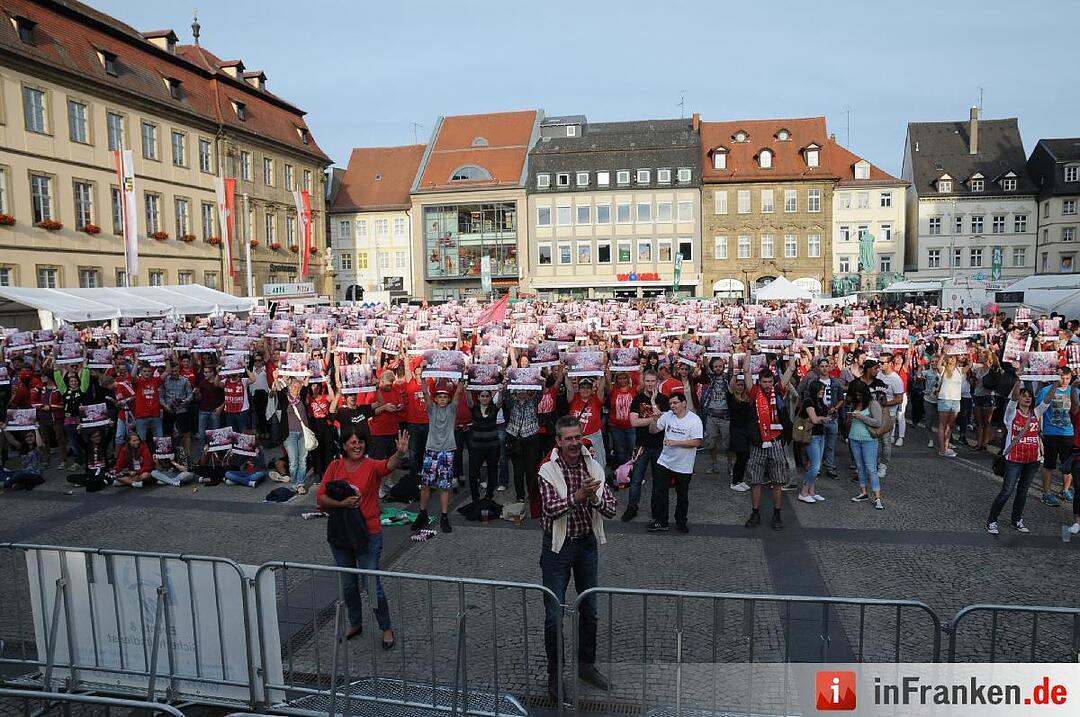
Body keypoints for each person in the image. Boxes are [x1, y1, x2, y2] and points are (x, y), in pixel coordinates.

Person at [538, 415, 616, 703]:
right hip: (557, 549)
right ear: (558, 441)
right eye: (568, 438)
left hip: (586, 546)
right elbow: (549, 509)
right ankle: (555, 676)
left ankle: (586, 667)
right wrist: (579, 495)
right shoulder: (547, 470)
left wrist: (593, 498)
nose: (574, 443)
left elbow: (610, 509)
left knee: (590, 611)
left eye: (577, 437)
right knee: (553, 616)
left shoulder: (593, 466)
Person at [316, 428, 409, 649]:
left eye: (360, 442)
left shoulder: (370, 466)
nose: (357, 446)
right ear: (344, 445)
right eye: (352, 442)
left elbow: (388, 465)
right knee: (349, 585)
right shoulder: (335, 466)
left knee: (371, 585)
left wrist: (400, 454)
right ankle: (355, 623)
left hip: (368, 532)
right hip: (341, 533)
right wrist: (342, 504)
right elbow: (320, 499)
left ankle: (386, 628)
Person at [987, 382, 1044, 535]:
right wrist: (1018, 379)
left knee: (1023, 491)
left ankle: (1017, 519)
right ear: (1018, 398)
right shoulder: (1011, 413)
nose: (1027, 398)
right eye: (1023, 396)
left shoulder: (1036, 413)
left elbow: (1047, 401)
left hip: (1032, 459)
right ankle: (992, 520)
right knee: (1007, 491)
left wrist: (1055, 382)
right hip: (1014, 458)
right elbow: (1012, 398)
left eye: (1029, 396)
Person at [411, 375, 464, 534]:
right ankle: (423, 513)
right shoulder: (431, 409)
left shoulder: (452, 408)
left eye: (445, 397)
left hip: (447, 452)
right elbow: (425, 393)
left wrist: (461, 377)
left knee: (444, 486)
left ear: (448, 399)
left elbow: (458, 393)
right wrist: (422, 379)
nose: (442, 399)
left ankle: (444, 516)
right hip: (431, 451)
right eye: (439, 397)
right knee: (426, 485)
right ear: (436, 399)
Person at [743, 366, 792, 530]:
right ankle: (755, 512)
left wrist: (790, 348)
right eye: (764, 381)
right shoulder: (754, 392)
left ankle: (777, 513)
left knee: (777, 480)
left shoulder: (778, 390)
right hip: (758, 442)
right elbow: (746, 371)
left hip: (776, 441)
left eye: (770, 381)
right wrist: (749, 348)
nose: (767, 384)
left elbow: (791, 369)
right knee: (755, 480)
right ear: (760, 381)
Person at [647, 391, 703, 533]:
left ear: (684, 403)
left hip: (684, 465)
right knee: (660, 491)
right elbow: (653, 431)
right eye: (671, 403)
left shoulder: (694, 420)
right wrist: (654, 420)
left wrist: (676, 442)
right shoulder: (667, 416)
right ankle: (661, 521)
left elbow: (697, 441)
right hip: (665, 461)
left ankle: (681, 522)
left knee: (682, 495)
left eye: (675, 403)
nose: (672, 406)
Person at [623, 370, 669, 521]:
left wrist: (655, 405)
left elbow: (665, 422)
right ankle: (632, 508)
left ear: (657, 382)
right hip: (642, 445)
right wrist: (655, 418)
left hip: (659, 446)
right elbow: (634, 422)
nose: (650, 384)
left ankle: (656, 510)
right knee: (636, 480)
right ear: (644, 382)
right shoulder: (638, 399)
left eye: (653, 381)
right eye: (647, 381)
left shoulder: (664, 399)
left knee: (658, 481)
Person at [1036, 366, 1079, 507]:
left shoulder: (1076, 391)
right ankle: (1047, 493)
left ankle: (1065, 490)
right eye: (1062, 377)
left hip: (1069, 433)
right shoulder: (1045, 391)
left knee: (1068, 464)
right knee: (1049, 464)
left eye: (1067, 378)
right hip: (1051, 432)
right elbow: (1039, 411)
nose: (1064, 381)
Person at [847, 381, 884, 509]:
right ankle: (863, 492)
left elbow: (878, 422)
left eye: (859, 395)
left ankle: (877, 496)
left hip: (868, 439)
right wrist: (851, 418)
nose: (858, 397)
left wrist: (861, 417)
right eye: (856, 395)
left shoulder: (873, 404)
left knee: (871, 468)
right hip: (854, 438)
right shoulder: (855, 403)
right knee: (860, 467)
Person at [275, 375, 312, 494]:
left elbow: (306, 384)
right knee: (293, 461)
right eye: (294, 387)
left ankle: (300, 484)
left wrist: (308, 375)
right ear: (290, 388)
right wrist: (275, 378)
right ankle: (294, 483)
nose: (297, 389)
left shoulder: (301, 398)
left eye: (298, 387)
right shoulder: (285, 399)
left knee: (303, 460)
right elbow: (279, 391)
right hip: (289, 434)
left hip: (302, 433)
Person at [465, 385, 502, 503]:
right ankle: (475, 497)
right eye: (482, 396)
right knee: (473, 473)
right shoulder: (474, 408)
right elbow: (469, 401)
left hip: (493, 446)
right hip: (477, 446)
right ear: (479, 397)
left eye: (487, 396)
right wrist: (467, 390)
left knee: (492, 471)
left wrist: (501, 391)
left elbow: (500, 402)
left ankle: (489, 496)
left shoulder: (494, 408)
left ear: (491, 397)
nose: (485, 398)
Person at [797, 380, 832, 504]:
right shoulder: (808, 401)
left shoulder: (819, 402)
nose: (822, 391)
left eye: (823, 389)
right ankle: (804, 491)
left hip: (820, 435)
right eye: (821, 389)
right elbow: (815, 419)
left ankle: (811, 491)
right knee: (815, 466)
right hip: (812, 437)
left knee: (813, 464)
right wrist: (824, 418)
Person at [566, 374, 607, 474]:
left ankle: (599, 483)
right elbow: (569, 388)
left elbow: (601, 389)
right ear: (579, 390)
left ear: (592, 389)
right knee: (577, 464)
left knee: (596, 464)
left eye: (588, 388)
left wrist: (603, 374)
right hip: (577, 439)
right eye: (583, 388)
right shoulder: (573, 399)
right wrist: (565, 375)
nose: (585, 390)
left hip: (593, 438)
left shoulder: (596, 400)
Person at [698, 356, 730, 475]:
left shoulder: (727, 378)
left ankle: (730, 466)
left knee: (728, 445)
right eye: (716, 366)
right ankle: (714, 464)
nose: (718, 368)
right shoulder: (711, 378)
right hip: (712, 415)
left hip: (726, 416)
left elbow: (732, 369)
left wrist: (731, 355)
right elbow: (706, 366)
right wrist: (705, 353)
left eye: (720, 366)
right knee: (711, 443)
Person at [876, 353, 904, 479]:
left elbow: (899, 399)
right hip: (876, 413)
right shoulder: (878, 374)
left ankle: (883, 465)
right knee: (874, 440)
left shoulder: (896, 379)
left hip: (889, 414)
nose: (880, 365)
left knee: (885, 441)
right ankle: (874, 463)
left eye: (882, 363)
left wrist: (886, 403)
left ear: (890, 363)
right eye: (879, 362)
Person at [161, 361, 194, 459]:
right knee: (168, 433)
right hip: (169, 410)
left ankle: (187, 454)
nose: (174, 373)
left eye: (176, 371)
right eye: (172, 371)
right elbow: (161, 396)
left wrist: (185, 401)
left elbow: (190, 394)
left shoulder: (185, 380)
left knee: (186, 432)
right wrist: (165, 406)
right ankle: (170, 453)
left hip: (182, 409)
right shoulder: (165, 381)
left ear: (179, 369)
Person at [935, 353, 963, 457]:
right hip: (944, 399)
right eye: (950, 358)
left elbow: (970, 364)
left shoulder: (960, 370)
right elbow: (938, 366)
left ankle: (946, 447)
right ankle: (942, 449)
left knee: (950, 425)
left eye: (953, 358)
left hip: (956, 400)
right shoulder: (943, 369)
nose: (951, 360)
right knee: (942, 424)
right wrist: (943, 354)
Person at [132, 362, 164, 442]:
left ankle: (158, 455)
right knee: (141, 441)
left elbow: (167, 372)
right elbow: (132, 376)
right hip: (141, 417)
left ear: (152, 372)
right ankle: (142, 455)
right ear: (140, 372)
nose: (147, 373)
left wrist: (166, 359)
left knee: (160, 441)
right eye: (144, 371)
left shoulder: (155, 381)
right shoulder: (138, 382)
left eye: (149, 371)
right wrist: (136, 362)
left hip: (155, 416)